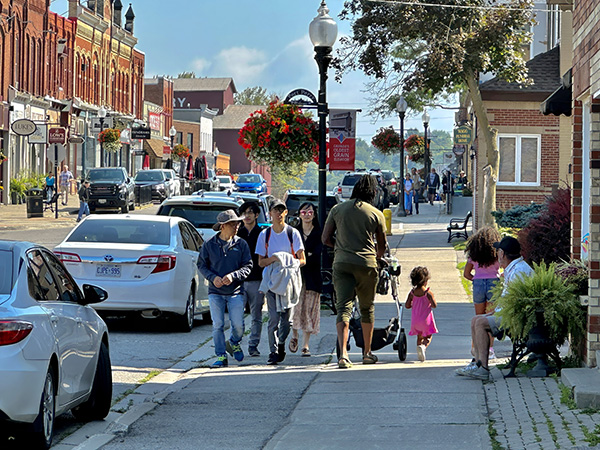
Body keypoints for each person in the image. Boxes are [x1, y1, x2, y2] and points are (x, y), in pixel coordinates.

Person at [322, 174, 387, 369]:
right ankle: (367, 353)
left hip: (341, 263)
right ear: (373, 193)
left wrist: (340, 248)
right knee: (367, 308)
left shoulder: (337, 209)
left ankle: (342, 354)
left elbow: (325, 238)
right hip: (366, 265)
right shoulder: (376, 214)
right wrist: (377, 257)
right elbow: (382, 246)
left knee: (343, 308)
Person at [456, 236, 533, 380]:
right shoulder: (514, 268)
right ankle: (477, 364)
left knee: (480, 323)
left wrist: (493, 315)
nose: (497, 254)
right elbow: (507, 299)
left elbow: (513, 303)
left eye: (498, 251)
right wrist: (491, 313)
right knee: (476, 319)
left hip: (516, 317)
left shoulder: (518, 271)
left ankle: (483, 368)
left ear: (502, 253)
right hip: (511, 313)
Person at [198, 210, 253, 368]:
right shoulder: (209, 244)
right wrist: (212, 277)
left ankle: (234, 342)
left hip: (235, 291)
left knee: (238, 325)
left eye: (237, 223)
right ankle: (221, 356)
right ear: (222, 226)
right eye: (232, 224)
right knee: (218, 325)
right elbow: (202, 265)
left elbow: (248, 266)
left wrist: (234, 276)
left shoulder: (241, 244)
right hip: (215, 292)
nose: (237, 226)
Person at [256, 199, 305, 366]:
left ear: (285, 213)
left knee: (287, 320)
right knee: (273, 319)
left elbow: (302, 259)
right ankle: (273, 351)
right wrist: (275, 259)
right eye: (275, 210)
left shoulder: (293, 233)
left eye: (281, 210)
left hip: (290, 281)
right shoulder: (265, 235)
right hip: (271, 281)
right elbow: (261, 262)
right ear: (270, 213)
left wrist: (289, 262)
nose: (278, 214)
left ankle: (282, 343)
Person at [463, 227, 501, 360]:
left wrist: (476, 279)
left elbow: (466, 274)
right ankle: (490, 349)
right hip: (494, 284)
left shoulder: (474, 255)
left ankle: (475, 347)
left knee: (478, 319)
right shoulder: (496, 255)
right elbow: (503, 268)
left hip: (478, 284)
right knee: (490, 319)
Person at [290, 202, 322, 357]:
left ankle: (306, 345)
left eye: (310, 212)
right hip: (295, 277)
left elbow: (316, 255)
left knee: (309, 310)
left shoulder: (318, 232)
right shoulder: (294, 232)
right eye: (304, 212)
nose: (307, 215)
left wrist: (304, 256)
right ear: (299, 214)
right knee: (295, 307)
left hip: (312, 277)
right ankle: (294, 336)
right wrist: (305, 256)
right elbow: (292, 252)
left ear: (314, 215)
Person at [237, 201, 265, 357]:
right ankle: (236, 344)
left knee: (256, 316)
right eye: (244, 213)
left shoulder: (262, 234)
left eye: (250, 213)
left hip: (257, 280)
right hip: (238, 281)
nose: (247, 216)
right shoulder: (237, 234)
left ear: (256, 215)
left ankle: (253, 345)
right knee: (237, 316)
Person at [405, 266, 438, 362]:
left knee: (419, 336)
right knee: (429, 336)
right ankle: (423, 347)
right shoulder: (428, 293)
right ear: (426, 281)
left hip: (415, 321)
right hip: (426, 321)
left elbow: (407, 305)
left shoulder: (412, 293)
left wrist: (413, 303)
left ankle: (419, 347)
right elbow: (434, 305)